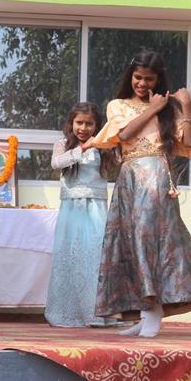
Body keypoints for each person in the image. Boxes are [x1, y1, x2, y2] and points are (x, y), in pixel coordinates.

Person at [91, 50, 191, 337]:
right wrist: (153, 108)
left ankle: (153, 309)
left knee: (148, 237)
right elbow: (124, 135)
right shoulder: (118, 105)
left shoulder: (169, 109)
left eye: (149, 79)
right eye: (137, 77)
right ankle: (144, 310)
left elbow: (188, 143)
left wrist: (186, 106)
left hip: (157, 179)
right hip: (129, 180)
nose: (142, 83)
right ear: (131, 76)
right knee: (129, 241)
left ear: (158, 79)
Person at [44, 103, 117, 327]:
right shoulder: (63, 144)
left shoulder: (103, 147)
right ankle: (67, 312)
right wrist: (83, 148)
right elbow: (56, 163)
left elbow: (119, 161)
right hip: (72, 208)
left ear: (97, 126)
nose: (83, 128)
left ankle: (97, 313)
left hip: (96, 208)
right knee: (71, 256)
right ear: (71, 123)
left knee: (95, 256)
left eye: (89, 124)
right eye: (79, 123)